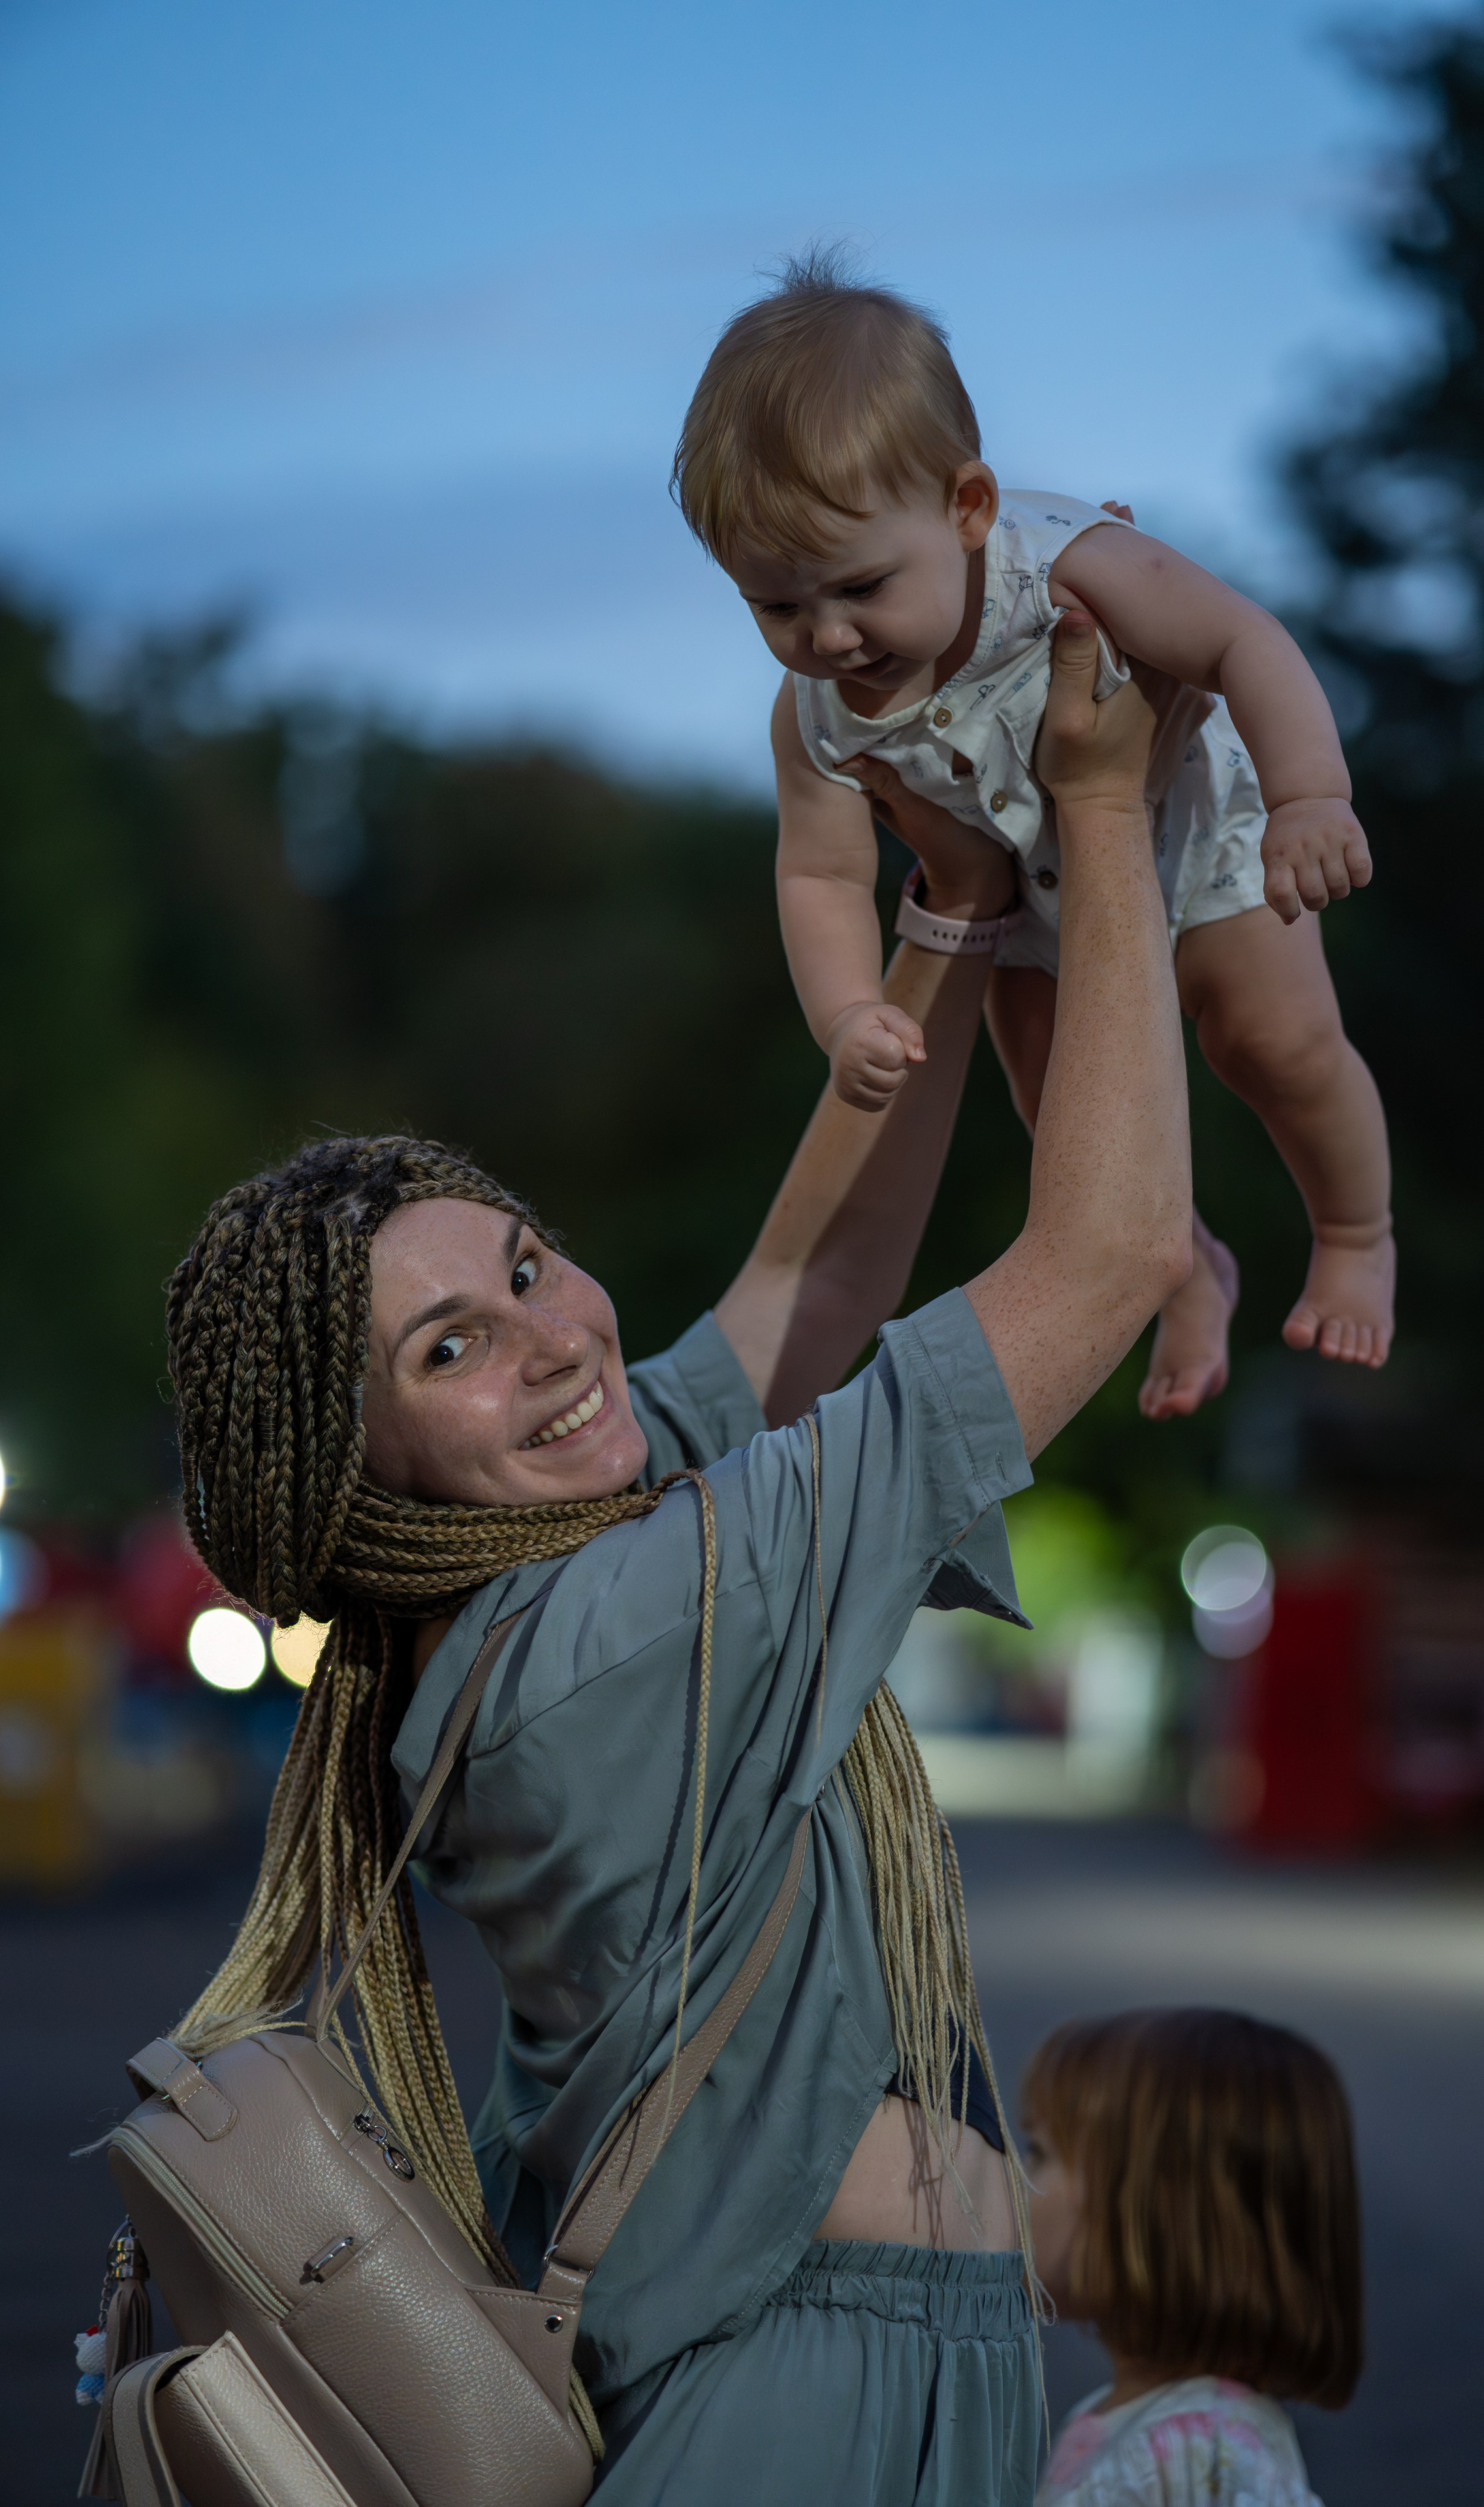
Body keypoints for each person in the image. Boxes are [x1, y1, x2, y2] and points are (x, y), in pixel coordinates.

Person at [160, 612, 1192, 2504]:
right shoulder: (620, 1635)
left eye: (527, 1263)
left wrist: (953, 920)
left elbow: (810, 1285)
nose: (555, 1340)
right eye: (447, 1350)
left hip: (841, 2366)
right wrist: (1106, 814)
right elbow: (1108, 1258)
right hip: (800, 2403)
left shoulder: (562, 1569)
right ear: (362, 1475)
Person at [672, 251, 1395, 1419]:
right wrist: (849, 1011)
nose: (831, 637)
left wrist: (1313, 794)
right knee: (1072, 1121)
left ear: (968, 508)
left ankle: (1357, 1233)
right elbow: (817, 870)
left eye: (859, 586)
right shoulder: (811, 716)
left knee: (1274, 1045)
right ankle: (1187, 1274)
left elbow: (1241, 640)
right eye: (778, 605)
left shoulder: (1070, 571)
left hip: (1198, 840)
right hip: (1036, 912)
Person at [1023, 2010, 1364, 2507]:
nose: (1013, 2176)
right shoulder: (1138, 2421)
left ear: (1156, 2211)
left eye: (1038, 2151)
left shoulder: (1193, 2455)